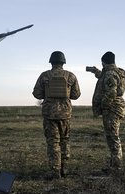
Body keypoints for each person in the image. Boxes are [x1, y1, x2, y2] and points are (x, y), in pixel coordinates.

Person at [32, 51, 81, 179]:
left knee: (53, 142)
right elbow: (76, 95)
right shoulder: (71, 76)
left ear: (51, 62)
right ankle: (64, 169)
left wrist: (47, 93)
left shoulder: (44, 76)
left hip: (50, 114)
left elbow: (37, 94)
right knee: (65, 141)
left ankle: (55, 171)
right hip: (65, 115)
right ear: (63, 62)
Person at [87, 51, 125, 171]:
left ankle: (117, 167)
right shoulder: (115, 72)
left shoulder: (110, 74)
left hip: (112, 109)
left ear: (103, 62)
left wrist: (104, 106)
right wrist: (95, 71)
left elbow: (111, 91)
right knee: (112, 136)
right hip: (116, 107)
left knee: (113, 137)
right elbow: (105, 78)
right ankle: (114, 164)